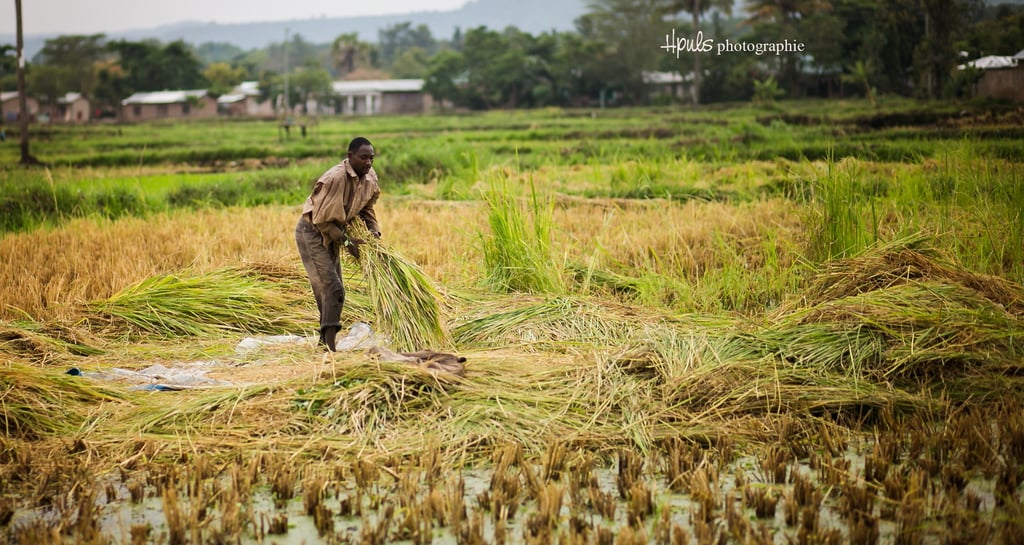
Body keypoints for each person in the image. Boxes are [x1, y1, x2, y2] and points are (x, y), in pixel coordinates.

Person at [295, 136, 382, 351]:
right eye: (363, 158)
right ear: (350, 156)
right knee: (331, 288)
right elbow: (322, 221)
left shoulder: (369, 178)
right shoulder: (336, 179)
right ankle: (329, 349)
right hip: (313, 233)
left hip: (335, 233)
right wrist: (346, 242)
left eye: (371, 158)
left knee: (332, 290)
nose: (368, 162)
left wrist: (374, 232)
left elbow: (366, 209)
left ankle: (325, 343)